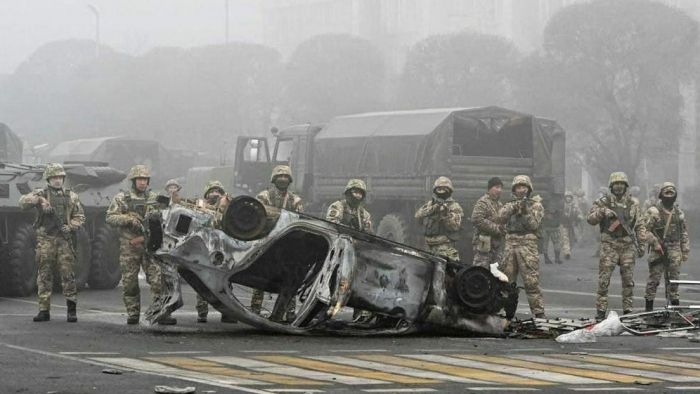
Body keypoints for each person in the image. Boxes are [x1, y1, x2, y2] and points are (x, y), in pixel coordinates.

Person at [106, 165, 176, 325]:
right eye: (139, 179)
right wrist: (129, 219)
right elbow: (110, 217)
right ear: (133, 180)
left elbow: (171, 211)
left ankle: (162, 312)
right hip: (130, 246)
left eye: (145, 179)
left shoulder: (155, 197)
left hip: (150, 246)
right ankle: (133, 313)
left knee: (158, 281)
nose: (142, 182)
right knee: (130, 283)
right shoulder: (122, 198)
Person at [19, 163, 85, 323]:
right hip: (46, 239)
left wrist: (70, 227)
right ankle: (44, 310)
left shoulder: (71, 196)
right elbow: (22, 202)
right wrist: (40, 200)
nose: (57, 180)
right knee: (44, 274)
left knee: (68, 274)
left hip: (64, 239)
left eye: (60, 177)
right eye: (54, 177)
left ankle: (71, 310)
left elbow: (80, 216)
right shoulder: (41, 193)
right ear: (48, 179)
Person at [587, 172, 646, 320]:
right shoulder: (602, 202)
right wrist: (602, 212)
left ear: (626, 186)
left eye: (622, 184)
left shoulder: (633, 204)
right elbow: (590, 219)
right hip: (609, 244)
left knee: (628, 281)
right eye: (616, 184)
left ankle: (628, 311)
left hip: (627, 245)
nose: (619, 186)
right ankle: (601, 311)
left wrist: (642, 243)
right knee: (604, 280)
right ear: (611, 186)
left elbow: (640, 225)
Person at [252, 165, 304, 321]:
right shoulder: (264, 196)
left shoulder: (295, 200)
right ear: (274, 179)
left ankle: (290, 312)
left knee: (290, 278)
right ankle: (255, 309)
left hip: (287, 244)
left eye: (286, 177)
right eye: (280, 176)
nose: (283, 179)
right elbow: (257, 216)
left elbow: (300, 219)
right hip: (266, 241)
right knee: (260, 277)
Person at [497, 175, 546, 319]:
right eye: (518, 187)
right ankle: (507, 312)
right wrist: (513, 207)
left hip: (527, 244)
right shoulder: (509, 204)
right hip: (510, 243)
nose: (521, 190)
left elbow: (534, 225)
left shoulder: (536, 205)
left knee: (531, 280)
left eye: (523, 187)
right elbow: (499, 218)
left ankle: (538, 312)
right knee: (507, 281)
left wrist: (525, 212)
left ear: (529, 189)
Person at [326, 179, 373, 322]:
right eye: (354, 192)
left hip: (354, 252)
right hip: (337, 251)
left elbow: (369, 233)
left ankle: (358, 313)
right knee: (332, 281)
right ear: (348, 192)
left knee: (357, 282)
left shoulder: (363, 214)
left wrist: (363, 234)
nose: (357, 196)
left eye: (359, 193)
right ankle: (326, 310)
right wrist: (348, 229)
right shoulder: (338, 206)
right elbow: (331, 223)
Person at [643, 182, 690, 311]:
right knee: (654, 280)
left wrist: (685, 250)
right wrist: (655, 243)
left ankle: (675, 310)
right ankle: (649, 310)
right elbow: (643, 230)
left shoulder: (678, 213)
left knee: (674, 281)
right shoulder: (653, 212)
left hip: (674, 249)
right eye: (666, 193)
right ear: (661, 195)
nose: (669, 196)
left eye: (671, 193)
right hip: (658, 250)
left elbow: (683, 232)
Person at [200, 180, 238, 323]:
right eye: (212, 191)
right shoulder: (200, 207)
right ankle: (202, 313)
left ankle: (228, 313)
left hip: (223, 250)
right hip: (206, 248)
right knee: (202, 280)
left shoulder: (227, 206)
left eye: (218, 191)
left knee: (225, 282)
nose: (215, 194)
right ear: (207, 194)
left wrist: (227, 202)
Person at [415, 176, 464, 262]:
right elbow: (418, 215)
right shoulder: (431, 204)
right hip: (429, 248)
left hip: (445, 248)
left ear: (448, 191)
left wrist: (445, 215)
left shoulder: (454, 206)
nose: (441, 192)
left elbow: (455, 226)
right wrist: (433, 209)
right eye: (439, 189)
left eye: (443, 189)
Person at [469, 177, 504, 267]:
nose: (499, 190)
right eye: (496, 187)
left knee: (496, 273)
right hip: (483, 246)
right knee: (481, 272)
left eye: (501, 187)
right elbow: (476, 219)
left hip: (496, 246)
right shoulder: (483, 202)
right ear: (490, 188)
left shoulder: (499, 204)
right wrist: (495, 228)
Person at [541, 197, 563, 265]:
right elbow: (560, 214)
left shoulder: (543, 204)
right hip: (554, 227)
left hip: (545, 227)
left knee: (545, 243)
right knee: (557, 242)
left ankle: (546, 258)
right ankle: (557, 258)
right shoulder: (557, 203)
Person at [561, 190, 583, 259]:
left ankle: (568, 251)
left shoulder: (575, 206)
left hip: (573, 225)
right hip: (564, 224)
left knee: (572, 240)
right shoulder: (562, 205)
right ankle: (567, 252)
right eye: (567, 197)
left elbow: (580, 213)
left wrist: (579, 218)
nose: (568, 198)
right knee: (565, 239)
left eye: (570, 197)